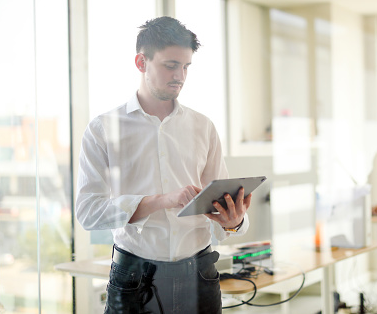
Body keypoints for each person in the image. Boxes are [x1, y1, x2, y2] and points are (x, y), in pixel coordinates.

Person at [75, 16, 252, 314]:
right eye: (171, 65)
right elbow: (88, 213)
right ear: (141, 62)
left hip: (200, 275)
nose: (180, 75)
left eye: (186, 67)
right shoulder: (103, 129)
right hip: (132, 279)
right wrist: (161, 201)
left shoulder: (203, 127)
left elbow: (221, 204)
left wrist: (233, 222)